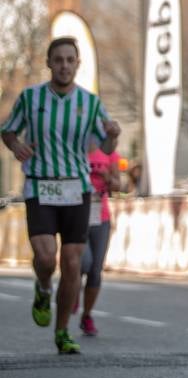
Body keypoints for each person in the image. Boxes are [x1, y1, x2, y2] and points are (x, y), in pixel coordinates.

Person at [1, 37, 121, 355]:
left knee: (71, 264)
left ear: (77, 64)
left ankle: (62, 332)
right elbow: (8, 129)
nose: (64, 65)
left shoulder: (91, 103)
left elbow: (105, 148)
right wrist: (16, 146)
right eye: (59, 60)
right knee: (44, 257)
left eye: (70, 60)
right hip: (40, 185)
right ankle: (42, 287)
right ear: (49, 63)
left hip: (76, 188)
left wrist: (113, 136)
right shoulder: (30, 97)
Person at [77, 142, 125, 336]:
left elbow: (117, 185)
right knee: (83, 263)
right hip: (77, 212)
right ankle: (72, 289)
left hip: (101, 216)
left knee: (96, 269)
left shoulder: (110, 152)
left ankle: (87, 315)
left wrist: (106, 177)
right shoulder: (75, 146)